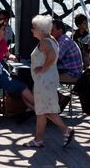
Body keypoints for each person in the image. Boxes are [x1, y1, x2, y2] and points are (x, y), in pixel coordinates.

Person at [24, 15, 74, 148]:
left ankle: (66, 130)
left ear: (40, 29)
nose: (32, 30)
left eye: (34, 28)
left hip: (44, 81)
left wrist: (42, 68)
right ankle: (38, 139)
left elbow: (51, 55)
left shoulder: (45, 42)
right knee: (41, 110)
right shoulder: (51, 40)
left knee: (45, 110)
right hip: (48, 80)